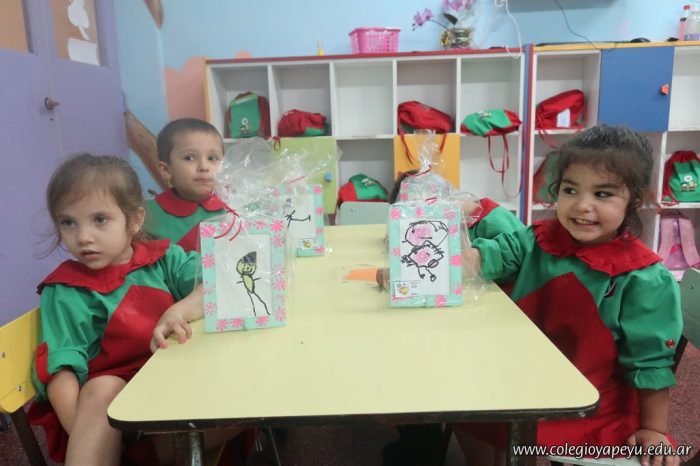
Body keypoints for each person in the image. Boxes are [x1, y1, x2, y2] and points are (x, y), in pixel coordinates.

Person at [458, 125, 682, 466]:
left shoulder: (643, 277)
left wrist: (653, 429)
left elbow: (650, 362)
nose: (582, 206)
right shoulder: (539, 238)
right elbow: (493, 255)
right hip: (523, 374)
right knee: (463, 409)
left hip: (590, 403)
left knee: (497, 422)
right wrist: (424, 259)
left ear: (634, 201)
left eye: (602, 194)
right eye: (570, 189)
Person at [28, 154, 205, 465]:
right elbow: (60, 370)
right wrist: (93, 435)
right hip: (110, 419)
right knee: (103, 386)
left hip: (174, 397)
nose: (83, 237)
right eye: (68, 222)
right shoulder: (65, 290)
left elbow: (219, 282)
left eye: (100, 219)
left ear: (134, 220)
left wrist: (180, 309)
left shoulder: (164, 260)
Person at [380, 170, 524, 466]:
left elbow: (521, 257)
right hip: (469, 325)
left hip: (505, 333)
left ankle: (425, 438)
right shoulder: (447, 226)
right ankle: (420, 437)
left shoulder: (492, 218)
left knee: (475, 411)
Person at [145, 118, 226, 252]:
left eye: (212, 158)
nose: (204, 167)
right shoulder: (148, 216)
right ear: (166, 170)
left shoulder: (236, 207)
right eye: (189, 158)